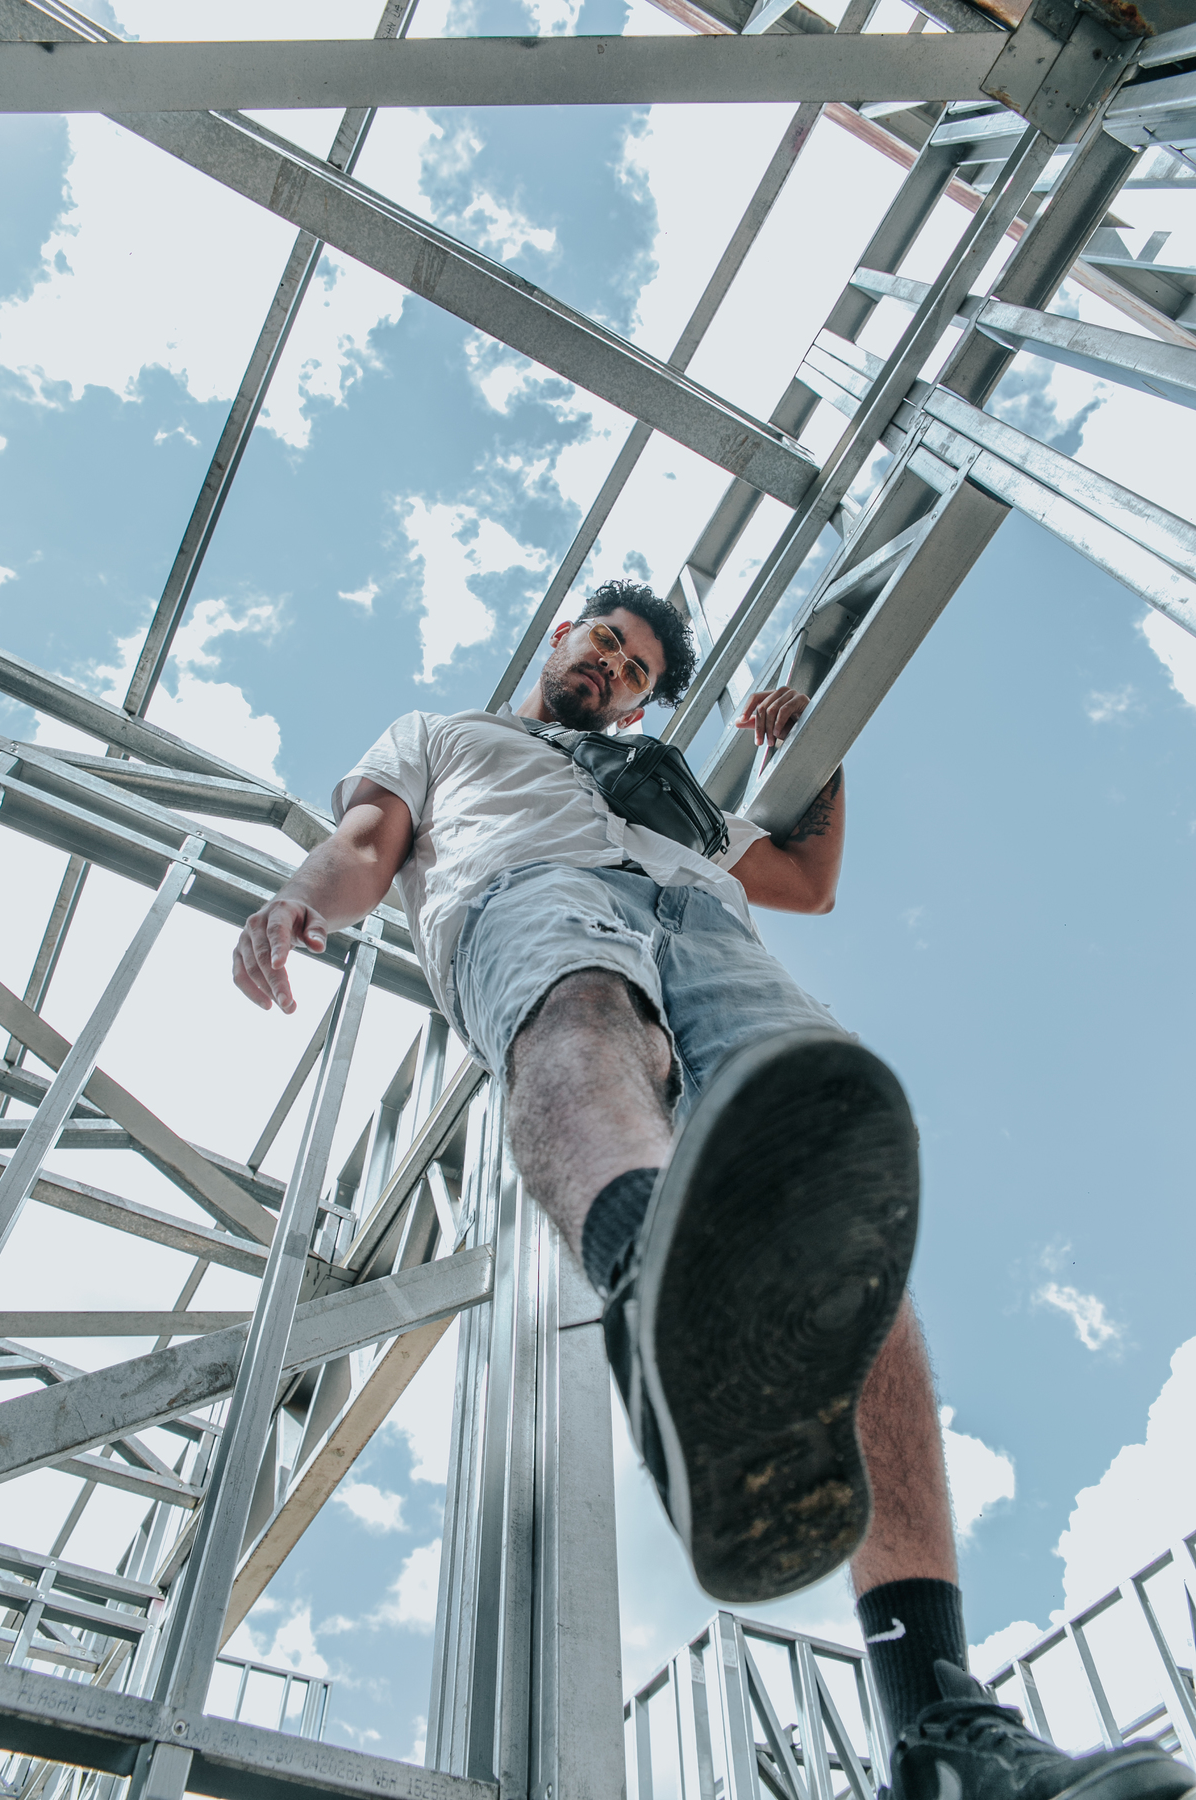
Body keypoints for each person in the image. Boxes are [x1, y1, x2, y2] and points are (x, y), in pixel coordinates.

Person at [233, 579, 1192, 1800]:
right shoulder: (445, 735)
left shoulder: (668, 787)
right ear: (565, 631)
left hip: (706, 920)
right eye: (609, 645)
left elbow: (804, 879)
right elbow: (371, 842)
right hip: (526, 891)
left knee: (845, 1227)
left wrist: (814, 750)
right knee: (577, 1013)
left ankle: (936, 1723)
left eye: (638, 672)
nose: (616, 671)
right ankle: (656, 1297)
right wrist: (299, 900)